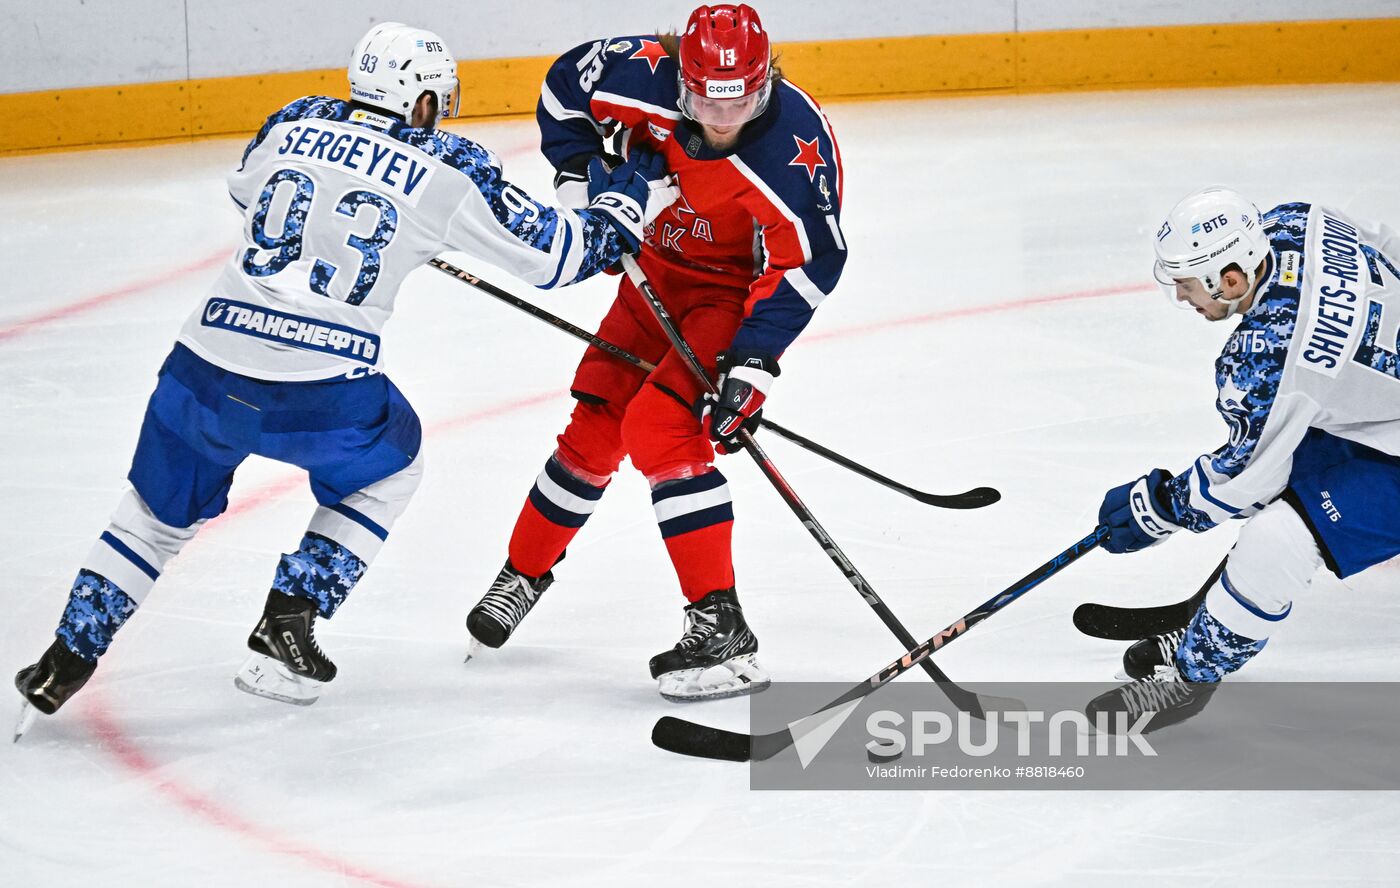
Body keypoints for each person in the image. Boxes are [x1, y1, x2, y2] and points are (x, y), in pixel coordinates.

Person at [13, 21, 678, 733]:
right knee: (392, 466)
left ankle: (65, 657)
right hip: (318, 394)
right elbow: (562, 259)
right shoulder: (449, 165)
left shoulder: (291, 120)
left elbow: (250, 194)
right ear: (422, 100)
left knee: (151, 517)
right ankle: (290, 618)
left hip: (199, 369)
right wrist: (623, 196)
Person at [464, 3, 847, 701]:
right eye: (704, 102)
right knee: (595, 426)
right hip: (651, 274)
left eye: (742, 103)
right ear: (681, 81)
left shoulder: (793, 145)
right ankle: (522, 574)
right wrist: (587, 185)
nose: (723, 121)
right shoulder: (636, 72)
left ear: (765, 83)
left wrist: (752, 367)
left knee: (662, 428)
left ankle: (721, 624)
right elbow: (561, 92)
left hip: (724, 296)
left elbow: (812, 261)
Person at [1086, 185, 1400, 730]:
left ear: (1230, 280)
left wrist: (1156, 508)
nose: (1182, 297)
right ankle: (1209, 622)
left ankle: (1190, 679)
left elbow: (1243, 477)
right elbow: (1386, 245)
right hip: (1382, 417)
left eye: (1186, 285)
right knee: (1292, 460)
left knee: (1278, 538)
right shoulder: (1298, 221)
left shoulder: (1268, 357)